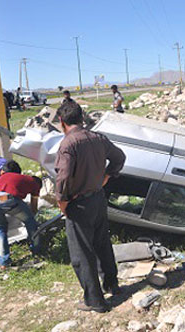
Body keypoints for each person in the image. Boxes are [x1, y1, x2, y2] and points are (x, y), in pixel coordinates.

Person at [55, 100, 126, 313]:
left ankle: (95, 300)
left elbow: (64, 176)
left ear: (61, 122)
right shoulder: (98, 138)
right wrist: (106, 176)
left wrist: (62, 201)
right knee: (102, 243)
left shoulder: (68, 144)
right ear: (81, 118)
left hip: (78, 204)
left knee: (82, 253)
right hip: (98, 198)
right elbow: (119, 157)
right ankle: (112, 285)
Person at [0, 173, 42, 269]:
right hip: (6, 198)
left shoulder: (16, 177)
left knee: (0, 227)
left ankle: (4, 262)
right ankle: (37, 251)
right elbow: (34, 208)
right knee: (30, 222)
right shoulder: (35, 184)